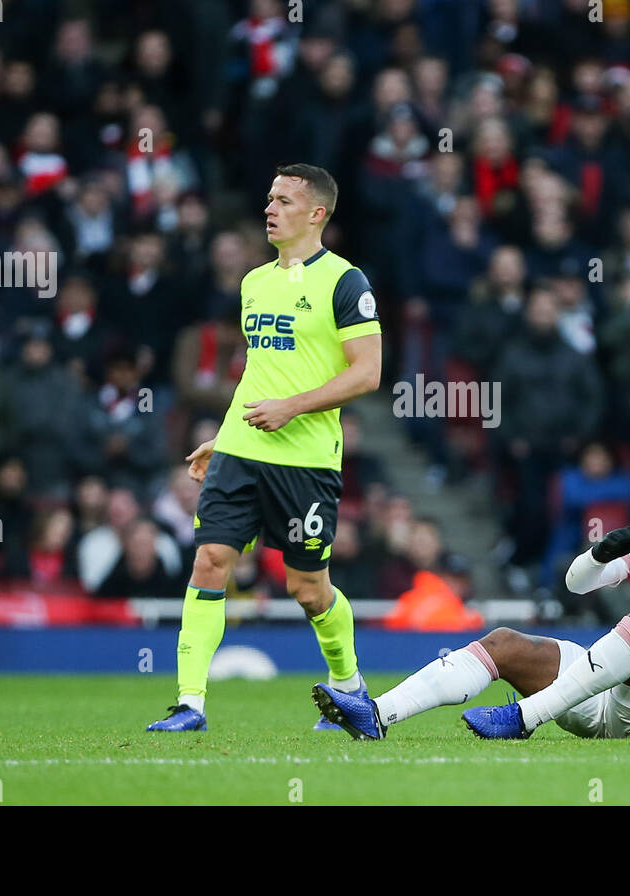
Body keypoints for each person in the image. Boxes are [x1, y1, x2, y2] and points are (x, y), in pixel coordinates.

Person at [313, 455, 630, 741]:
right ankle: (378, 713)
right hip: (603, 695)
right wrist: (597, 555)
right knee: (503, 642)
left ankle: (522, 718)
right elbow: (576, 585)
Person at [149, 163, 382, 732]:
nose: (270, 209)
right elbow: (260, 374)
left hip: (305, 461)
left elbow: (368, 373)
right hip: (241, 451)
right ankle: (190, 704)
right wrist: (225, 435)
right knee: (210, 562)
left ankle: (350, 688)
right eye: (268, 198)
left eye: (283, 200)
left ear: (316, 213)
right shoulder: (254, 282)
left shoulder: (345, 282)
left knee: (307, 589)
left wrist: (294, 407)